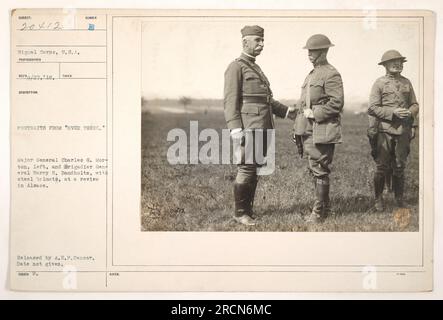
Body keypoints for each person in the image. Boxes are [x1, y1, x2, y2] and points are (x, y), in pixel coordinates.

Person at [224, 25, 295, 226]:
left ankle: (248, 210)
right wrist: (235, 128)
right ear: (245, 42)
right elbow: (230, 101)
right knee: (246, 168)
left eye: (262, 40)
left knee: (254, 169)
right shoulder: (236, 66)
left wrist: (287, 112)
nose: (262, 44)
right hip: (248, 126)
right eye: (257, 40)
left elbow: (266, 99)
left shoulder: (256, 67)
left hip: (263, 125)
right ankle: (240, 213)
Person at [292, 34, 344, 223]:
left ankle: (319, 213)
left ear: (324, 51)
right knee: (314, 168)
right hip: (307, 129)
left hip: (322, 128)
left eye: (313, 51)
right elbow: (306, 101)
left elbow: (337, 102)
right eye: (308, 51)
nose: (309, 54)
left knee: (320, 168)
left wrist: (315, 113)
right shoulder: (312, 74)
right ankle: (325, 208)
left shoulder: (331, 74)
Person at [368, 50, 419, 211]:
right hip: (385, 130)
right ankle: (378, 199)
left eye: (400, 62)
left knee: (399, 166)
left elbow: (415, 104)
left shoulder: (407, 82)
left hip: (403, 130)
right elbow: (373, 108)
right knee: (382, 167)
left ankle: (399, 199)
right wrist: (392, 113)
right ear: (385, 65)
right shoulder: (379, 83)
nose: (398, 64)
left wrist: (411, 114)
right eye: (393, 62)